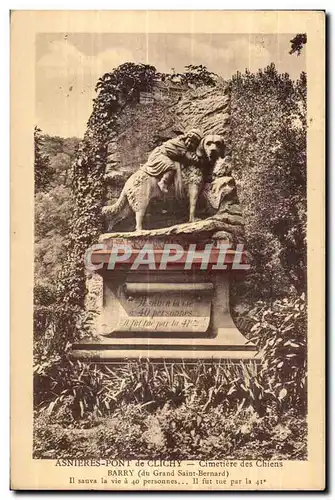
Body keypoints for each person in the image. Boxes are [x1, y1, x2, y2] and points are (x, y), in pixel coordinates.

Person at [140, 129, 203, 195]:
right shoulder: (180, 143)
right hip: (159, 155)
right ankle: (163, 182)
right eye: (189, 140)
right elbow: (188, 157)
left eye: (192, 143)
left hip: (164, 155)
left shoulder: (185, 147)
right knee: (171, 166)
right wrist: (196, 159)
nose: (189, 143)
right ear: (186, 138)